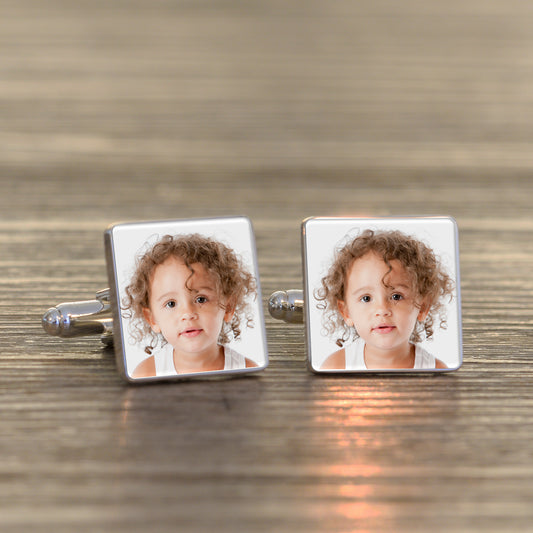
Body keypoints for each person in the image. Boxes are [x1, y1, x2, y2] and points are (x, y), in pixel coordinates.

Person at [123, 234, 258, 378]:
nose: (187, 313)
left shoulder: (246, 370)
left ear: (228, 307)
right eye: (171, 304)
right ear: (152, 319)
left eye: (200, 299)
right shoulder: (147, 373)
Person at [316, 229, 454, 370]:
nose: (382, 310)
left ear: (423, 307)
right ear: (346, 312)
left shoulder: (434, 370)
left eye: (396, 297)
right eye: (366, 298)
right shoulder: (336, 367)